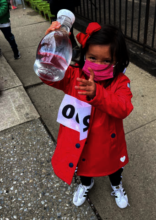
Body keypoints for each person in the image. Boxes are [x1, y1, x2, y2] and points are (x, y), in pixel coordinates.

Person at [40, 22, 133, 209]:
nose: (97, 65)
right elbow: (48, 75)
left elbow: (124, 107)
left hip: (107, 143)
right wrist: (49, 45)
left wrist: (98, 93)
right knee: (83, 166)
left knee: (114, 168)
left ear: (117, 60)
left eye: (106, 60)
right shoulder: (74, 76)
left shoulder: (121, 82)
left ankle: (116, 185)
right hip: (80, 140)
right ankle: (86, 183)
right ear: (84, 55)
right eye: (92, 57)